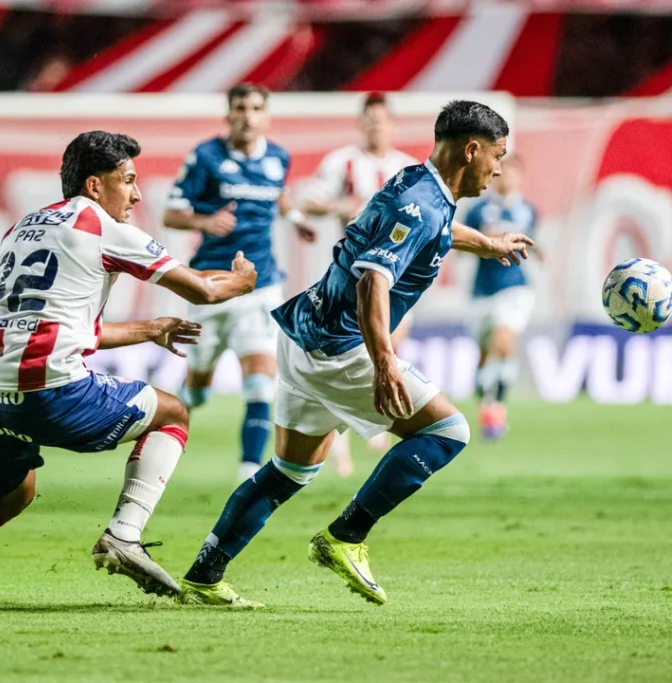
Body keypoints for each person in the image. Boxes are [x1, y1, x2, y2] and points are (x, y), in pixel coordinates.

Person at [0, 131, 257, 608]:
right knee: (171, 413)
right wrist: (241, 282)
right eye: (127, 181)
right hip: (46, 388)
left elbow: (55, 321)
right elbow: (203, 290)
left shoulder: (25, 226)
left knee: (9, 496)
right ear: (94, 185)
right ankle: (124, 536)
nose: (136, 193)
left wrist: (149, 328)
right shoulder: (104, 227)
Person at [177, 101, 532, 607]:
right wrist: (384, 362)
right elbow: (374, 280)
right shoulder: (421, 202)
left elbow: (438, 232)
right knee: (449, 431)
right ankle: (347, 535)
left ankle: (204, 574)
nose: (498, 167)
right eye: (496, 155)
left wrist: (489, 244)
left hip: (303, 333)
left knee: (289, 471)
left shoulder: (417, 184)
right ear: (471, 150)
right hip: (339, 348)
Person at [163, 83, 317, 481]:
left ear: (266, 116)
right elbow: (171, 213)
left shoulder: (278, 156)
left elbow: (278, 194)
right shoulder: (206, 156)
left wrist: (297, 219)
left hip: (260, 287)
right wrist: (204, 221)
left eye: (255, 108)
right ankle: (182, 408)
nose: (248, 115)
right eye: (240, 107)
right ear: (228, 114)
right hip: (209, 286)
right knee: (196, 389)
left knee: (261, 384)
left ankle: (248, 474)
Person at [302, 91, 419, 475]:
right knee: (352, 352)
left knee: (389, 348)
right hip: (350, 277)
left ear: (392, 125)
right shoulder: (342, 162)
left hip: (397, 276)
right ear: (361, 124)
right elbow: (311, 201)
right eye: (369, 120)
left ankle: (372, 418)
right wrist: (343, 206)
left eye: (382, 120)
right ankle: (345, 442)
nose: (375, 126)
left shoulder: (409, 168)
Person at [462, 156, 539, 439]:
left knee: (504, 340)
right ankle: (487, 404)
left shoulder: (528, 210)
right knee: (485, 356)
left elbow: (533, 240)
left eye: (514, 173)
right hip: (482, 291)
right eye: (504, 172)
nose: (508, 178)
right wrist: (489, 240)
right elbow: (463, 244)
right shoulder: (478, 209)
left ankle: (498, 405)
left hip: (516, 287)